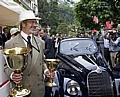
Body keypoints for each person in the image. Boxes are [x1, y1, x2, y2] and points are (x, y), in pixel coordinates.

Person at [5, 10, 51, 97]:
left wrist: (45, 70)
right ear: (23, 24)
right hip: (20, 91)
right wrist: (12, 75)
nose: (35, 25)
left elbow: (42, 61)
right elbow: (5, 66)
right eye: (32, 22)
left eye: (35, 22)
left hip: (38, 90)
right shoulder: (10, 44)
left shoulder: (40, 42)